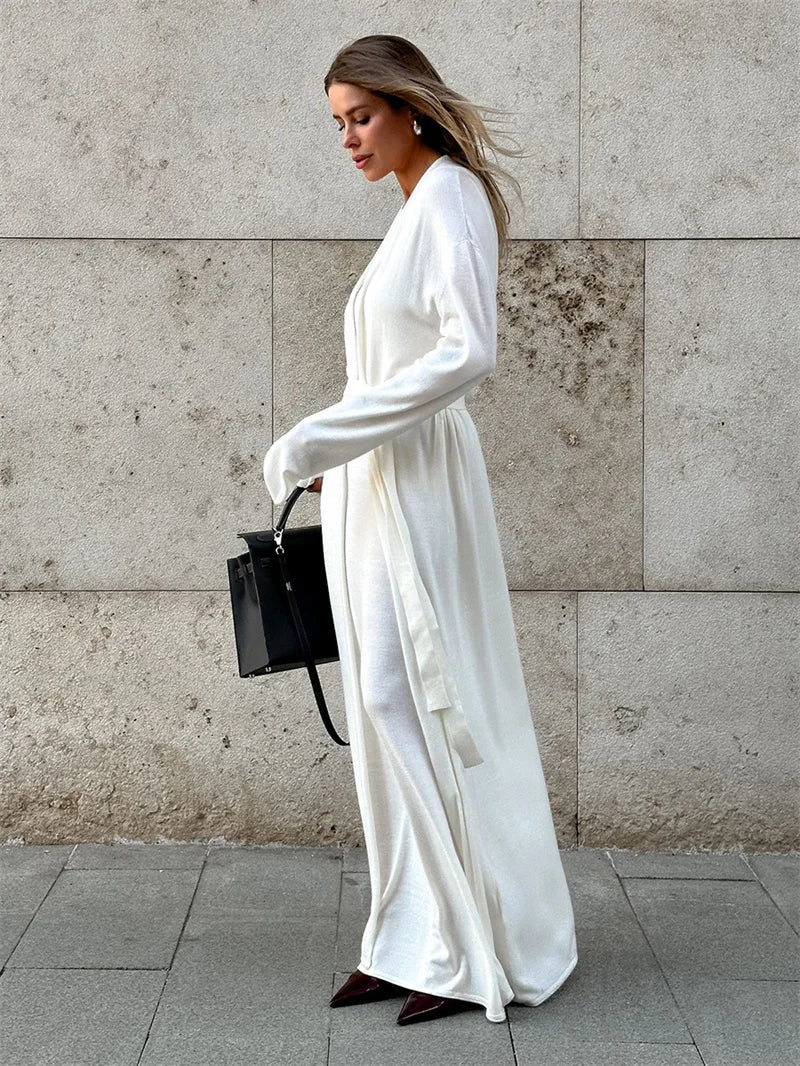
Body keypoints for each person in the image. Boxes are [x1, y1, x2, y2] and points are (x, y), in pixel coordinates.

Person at [262, 35, 578, 1027]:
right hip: (374, 482)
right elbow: (399, 366)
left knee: (411, 695)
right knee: (381, 702)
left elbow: (465, 351)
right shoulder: (412, 206)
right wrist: (339, 455)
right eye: (337, 123)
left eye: (360, 115)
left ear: (408, 107)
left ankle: (466, 940)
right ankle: (411, 937)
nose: (348, 138)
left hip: (418, 483)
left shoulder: (445, 193)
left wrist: (325, 429)